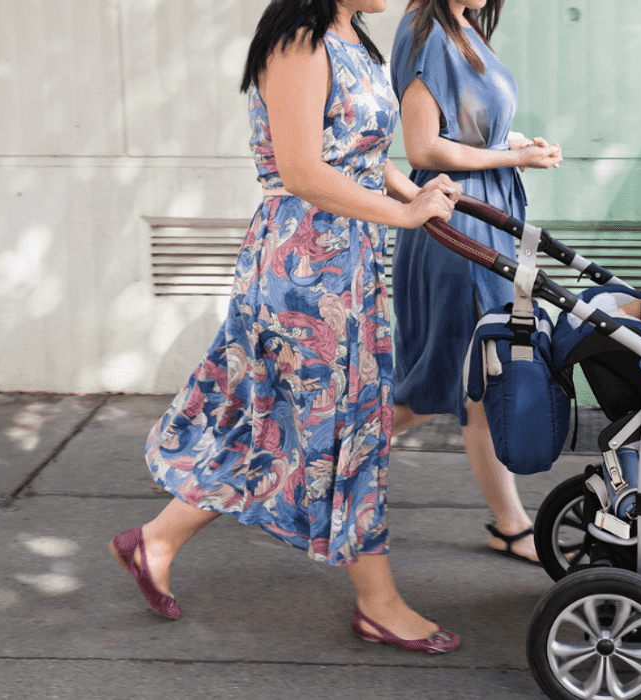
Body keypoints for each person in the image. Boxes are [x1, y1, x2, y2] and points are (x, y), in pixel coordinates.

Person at [108, 0, 465, 655]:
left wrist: (413, 194)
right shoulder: (298, 43)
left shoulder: (352, 37)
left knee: (275, 424)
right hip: (302, 271)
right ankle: (378, 602)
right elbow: (303, 170)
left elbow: (358, 152)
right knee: (343, 429)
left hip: (346, 263)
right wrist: (404, 215)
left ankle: (154, 542)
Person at [388, 0, 563, 564]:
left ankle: (509, 523)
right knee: (460, 378)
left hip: (480, 220)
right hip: (454, 228)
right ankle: (310, 467)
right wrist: (507, 158)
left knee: (462, 378)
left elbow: (471, 134)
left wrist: (519, 146)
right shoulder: (425, 29)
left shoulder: (463, 28)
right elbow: (423, 148)